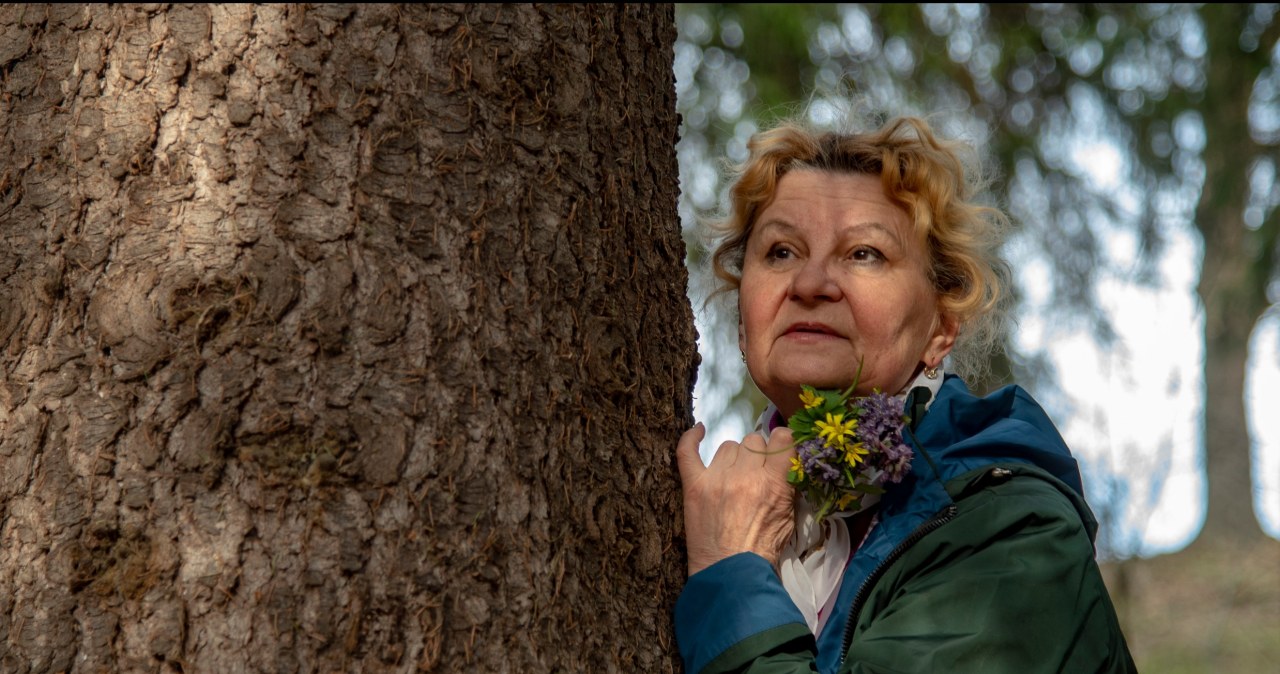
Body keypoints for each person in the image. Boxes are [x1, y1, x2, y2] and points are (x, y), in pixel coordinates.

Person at [674, 112, 1136, 673]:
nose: (811, 284)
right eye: (781, 252)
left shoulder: (1012, 532)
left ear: (942, 326)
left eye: (864, 253)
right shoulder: (707, 513)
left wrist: (732, 573)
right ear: (744, 316)